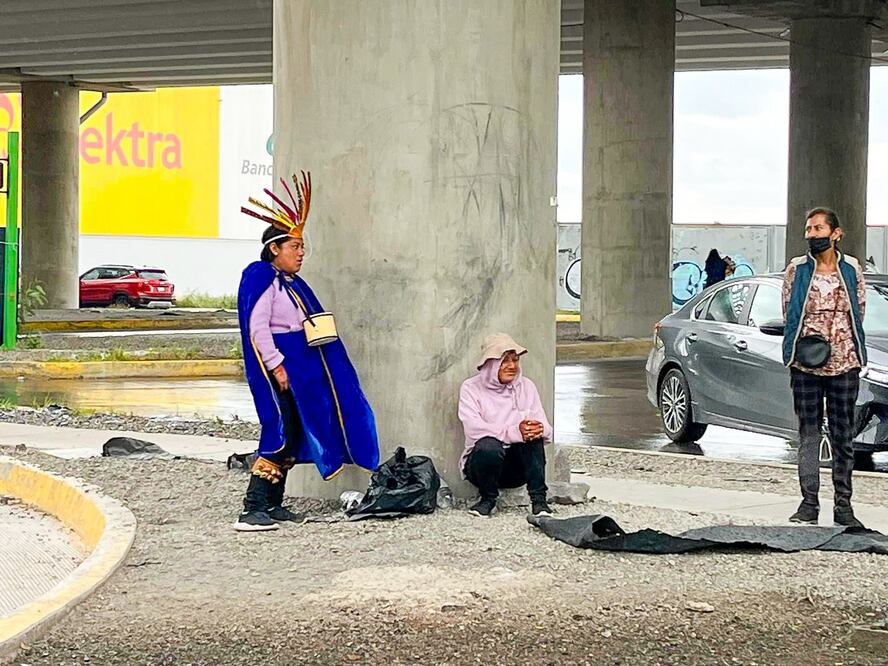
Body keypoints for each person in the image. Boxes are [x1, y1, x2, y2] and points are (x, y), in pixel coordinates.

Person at [234, 172, 379, 531]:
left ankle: (273, 504)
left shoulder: (293, 283)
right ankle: (252, 508)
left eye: (302, 247)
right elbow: (257, 329)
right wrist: (277, 366)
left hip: (303, 370)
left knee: (296, 432)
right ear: (275, 249)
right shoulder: (261, 277)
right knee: (279, 430)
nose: (301, 253)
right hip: (284, 370)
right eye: (295, 246)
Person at [782, 207, 866, 528]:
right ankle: (809, 503)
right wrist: (795, 349)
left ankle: (843, 505)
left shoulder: (852, 269)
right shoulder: (797, 270)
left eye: (819, 228)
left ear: (836, 233)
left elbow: (858, 309)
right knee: (809, 434)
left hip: (845, 363)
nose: (812, 234)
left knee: (843, 434)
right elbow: (790, 311)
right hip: (807, 364)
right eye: (809, 229)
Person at [458, 333, 554, 518]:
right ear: (490, 363)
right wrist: (514, 432)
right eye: (505, 361)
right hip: (481, 468)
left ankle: (539, 502)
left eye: (515, 360)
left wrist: (541, 429)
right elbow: (473, 429)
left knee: (533, 438)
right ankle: (487, 500)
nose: (512, 366)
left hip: (517, 469)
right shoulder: (471, 388)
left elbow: (544, 425)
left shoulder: (526, 386)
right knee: (489, 445)